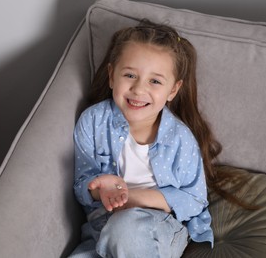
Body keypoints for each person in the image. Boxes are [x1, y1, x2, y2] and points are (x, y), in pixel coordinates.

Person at [70, 19, 222, 258]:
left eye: (155, 81)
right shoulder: (93, 122)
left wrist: (134, 197)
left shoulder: (180, 139)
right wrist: (100, 189)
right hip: (100, 227)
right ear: (112, 76)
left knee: (126, 230)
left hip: (159, 227)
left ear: (173, 90)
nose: (139, 89)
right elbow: (82, 183)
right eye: (130, 75)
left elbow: (194, 200)